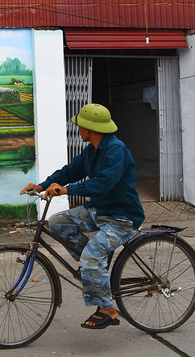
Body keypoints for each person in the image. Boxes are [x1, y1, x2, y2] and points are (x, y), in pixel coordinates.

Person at [20, 103, 144, 330]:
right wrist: (41, 185)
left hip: (122, 217)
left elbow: (104, 183)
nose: (78, 129)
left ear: (89, 128)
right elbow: (70, 171)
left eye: (80, 126)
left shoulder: (116, 150)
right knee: (58, 222)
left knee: (90, 257)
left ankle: (108, 309)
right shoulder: (92, 151)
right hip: (99, 210)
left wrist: (67, 190)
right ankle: (94, 265)